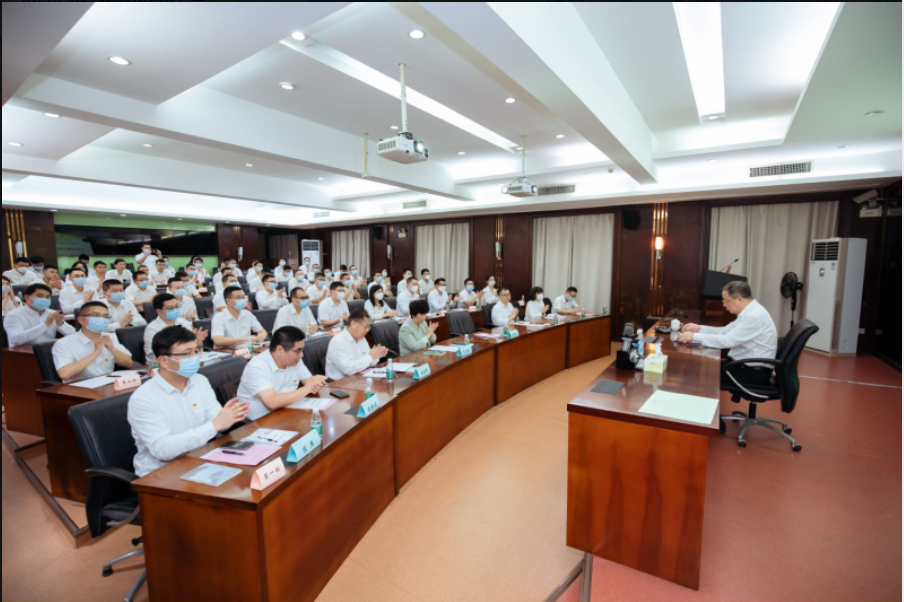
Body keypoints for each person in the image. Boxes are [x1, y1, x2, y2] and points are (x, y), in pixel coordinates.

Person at [128, 326, 250, 477]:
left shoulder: (199, 380)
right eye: (187, 353)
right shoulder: (143, 399)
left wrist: (229, 416)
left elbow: (214, 419)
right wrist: (215, 425)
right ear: (164, 361)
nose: (194, 358)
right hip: (162, 473)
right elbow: (162, 450)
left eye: (196, 351)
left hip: (200, 458)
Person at [678, 281, 778, 389]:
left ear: (739, 299)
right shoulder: (750, 312)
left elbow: (728, 340)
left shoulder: (753, 316)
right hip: (744, 366)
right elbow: (725, 331)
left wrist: (694, 336)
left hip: (752, 373)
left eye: (726, 301)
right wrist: (699, 328)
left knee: (699, 375)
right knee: (700, 368)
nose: (724, 305)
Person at [237, 327, 329, 421]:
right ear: (279, 350)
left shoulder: (294, 360)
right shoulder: (257, 367)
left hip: (286, 411)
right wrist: (308, 388)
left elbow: (309, 381)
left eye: (302, 350)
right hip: (259, 421)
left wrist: (315, 381)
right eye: (298, 350)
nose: (301, 355)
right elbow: (272, 402)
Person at [52, 302, 133, 383]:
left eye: (105, 316)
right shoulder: (64, 344)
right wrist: (96, 352)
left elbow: (128, 363)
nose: (102, 319)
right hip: (80, 387)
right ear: (81, 320)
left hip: (109, 384)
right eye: (96, 315)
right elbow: (65, 374)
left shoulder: (110, 337)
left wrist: (112, 349)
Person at [3, 283, 76, 346]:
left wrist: (61, 324)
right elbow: (17, 339)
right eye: (40, 296)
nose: (44, 299)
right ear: (27, 297)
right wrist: (45, 325)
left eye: (47, 297)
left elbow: (75, 334)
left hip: (49, 349)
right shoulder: (13, 315)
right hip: (23, 352)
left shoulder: (52, 313)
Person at [325, 309, 388, 380]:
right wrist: (370, 356)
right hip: (339, 384)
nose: (367, 330)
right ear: (353, 324)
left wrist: (377, 355)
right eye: (366, 327)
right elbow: (348, 370)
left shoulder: (362, 338)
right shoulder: (338, 342)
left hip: (358, 379)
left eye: (368, 327)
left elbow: (368, 363)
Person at [144, 293, 205, 365]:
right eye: (170, 308)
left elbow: (196, 348)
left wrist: (198, 341)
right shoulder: (152, 329)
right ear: (159, 311)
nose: (175, 310)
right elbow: (154, 355)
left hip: (187, 359)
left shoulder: (183, 323)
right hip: (161, 364)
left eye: (176, 306)